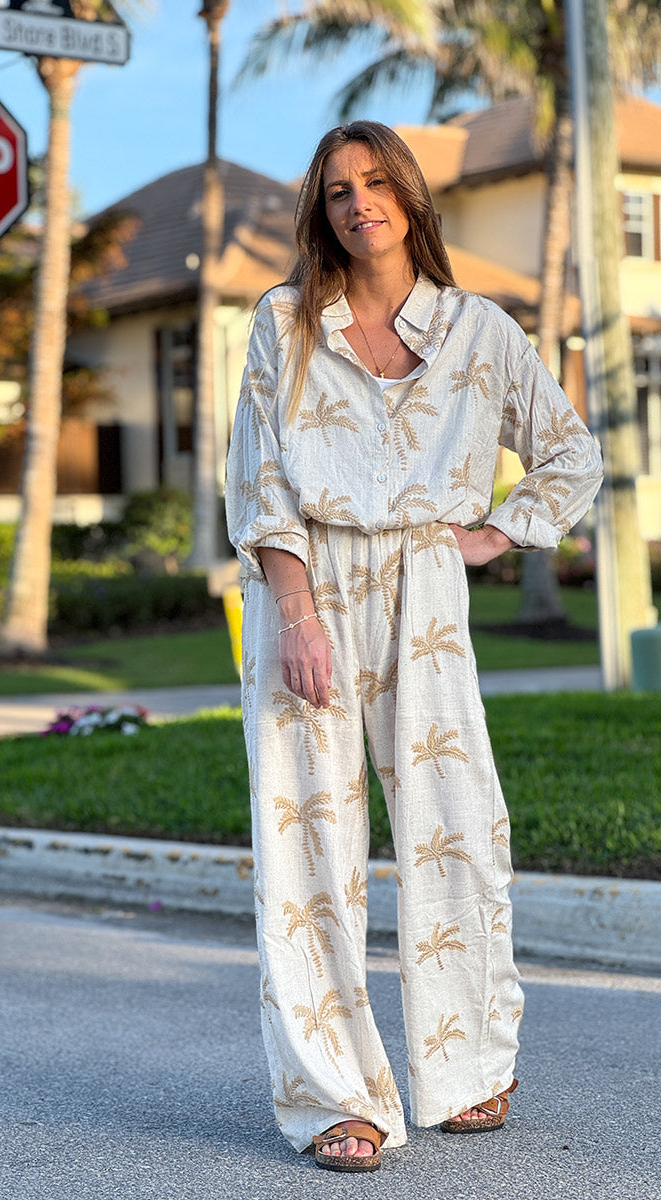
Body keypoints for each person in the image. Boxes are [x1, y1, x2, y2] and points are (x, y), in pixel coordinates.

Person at [224, 120, 603, 1174]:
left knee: (455, 827)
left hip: (425, 586)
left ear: (409, 196)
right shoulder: (286, 323)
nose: (358, 203)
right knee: (308, 844)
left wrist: (492, 532)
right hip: (308, 586)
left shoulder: (478, 330)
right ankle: (332, 1096)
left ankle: (468, 1065)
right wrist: (296, 616)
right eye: (337, 189)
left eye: (376, 181)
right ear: (322, 210)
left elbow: (570, 453)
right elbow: (257, 482)